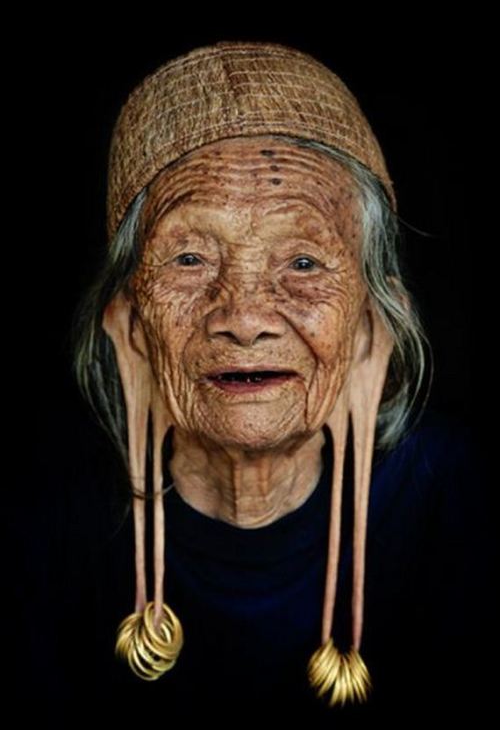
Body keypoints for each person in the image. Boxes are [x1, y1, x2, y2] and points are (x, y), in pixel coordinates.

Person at [26, 40, 493, 724]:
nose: (244, 317)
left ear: (373, 325)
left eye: (303, 260)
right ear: (128, 325)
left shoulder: (459, 504)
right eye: (189, 257)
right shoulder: (44, 518)